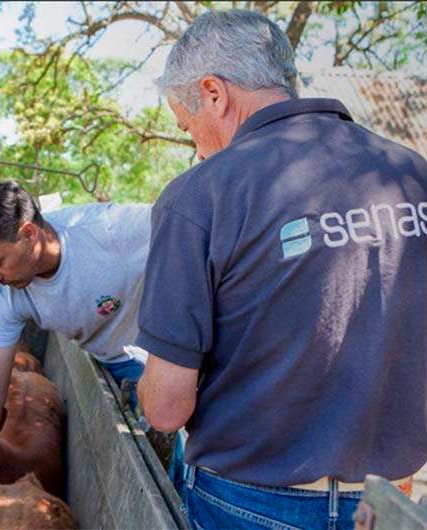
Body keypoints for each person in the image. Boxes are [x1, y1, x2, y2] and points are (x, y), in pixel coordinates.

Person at [136, 8, 427, 530]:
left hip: (251, 504)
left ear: (214, 94)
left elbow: (165, 409)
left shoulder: (198, 197)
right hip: (392, 504)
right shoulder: (411, 172)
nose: (197, 149)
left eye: (189, 128)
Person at [0, 180, 151, 516]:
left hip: (166, 352)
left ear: (29, 234)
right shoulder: (4, 297)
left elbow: (192, 231)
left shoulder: (113, 230)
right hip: (114, 361)